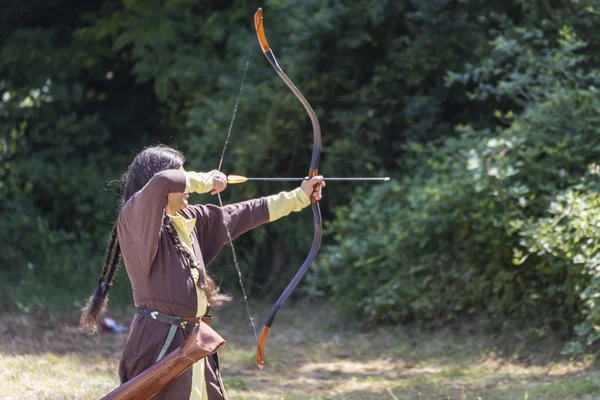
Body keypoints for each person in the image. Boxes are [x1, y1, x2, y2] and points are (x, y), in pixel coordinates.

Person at [79, 144, 325, 399]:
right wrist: (204, 180)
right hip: (159, 342)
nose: (186, 186)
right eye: (182, 176)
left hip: (192, 342)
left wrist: (300, 196)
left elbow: (244, 213)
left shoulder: (189, 219)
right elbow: (162, 181)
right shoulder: (136, 217)